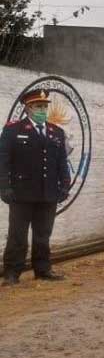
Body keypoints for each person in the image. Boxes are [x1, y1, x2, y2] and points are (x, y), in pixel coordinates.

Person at [0, 89, 70, 285]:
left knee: (43, 234)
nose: (43, 110)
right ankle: (12, 272)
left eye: (45, 106)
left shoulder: (56, 132)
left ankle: (43, 269)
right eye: (38, 106)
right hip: (21, 193)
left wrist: (65, 185)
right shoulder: (13, 130)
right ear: (28, 108)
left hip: (48, 193)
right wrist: (4, 187)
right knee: (17, 235)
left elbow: (61, 163)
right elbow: (3, 161)